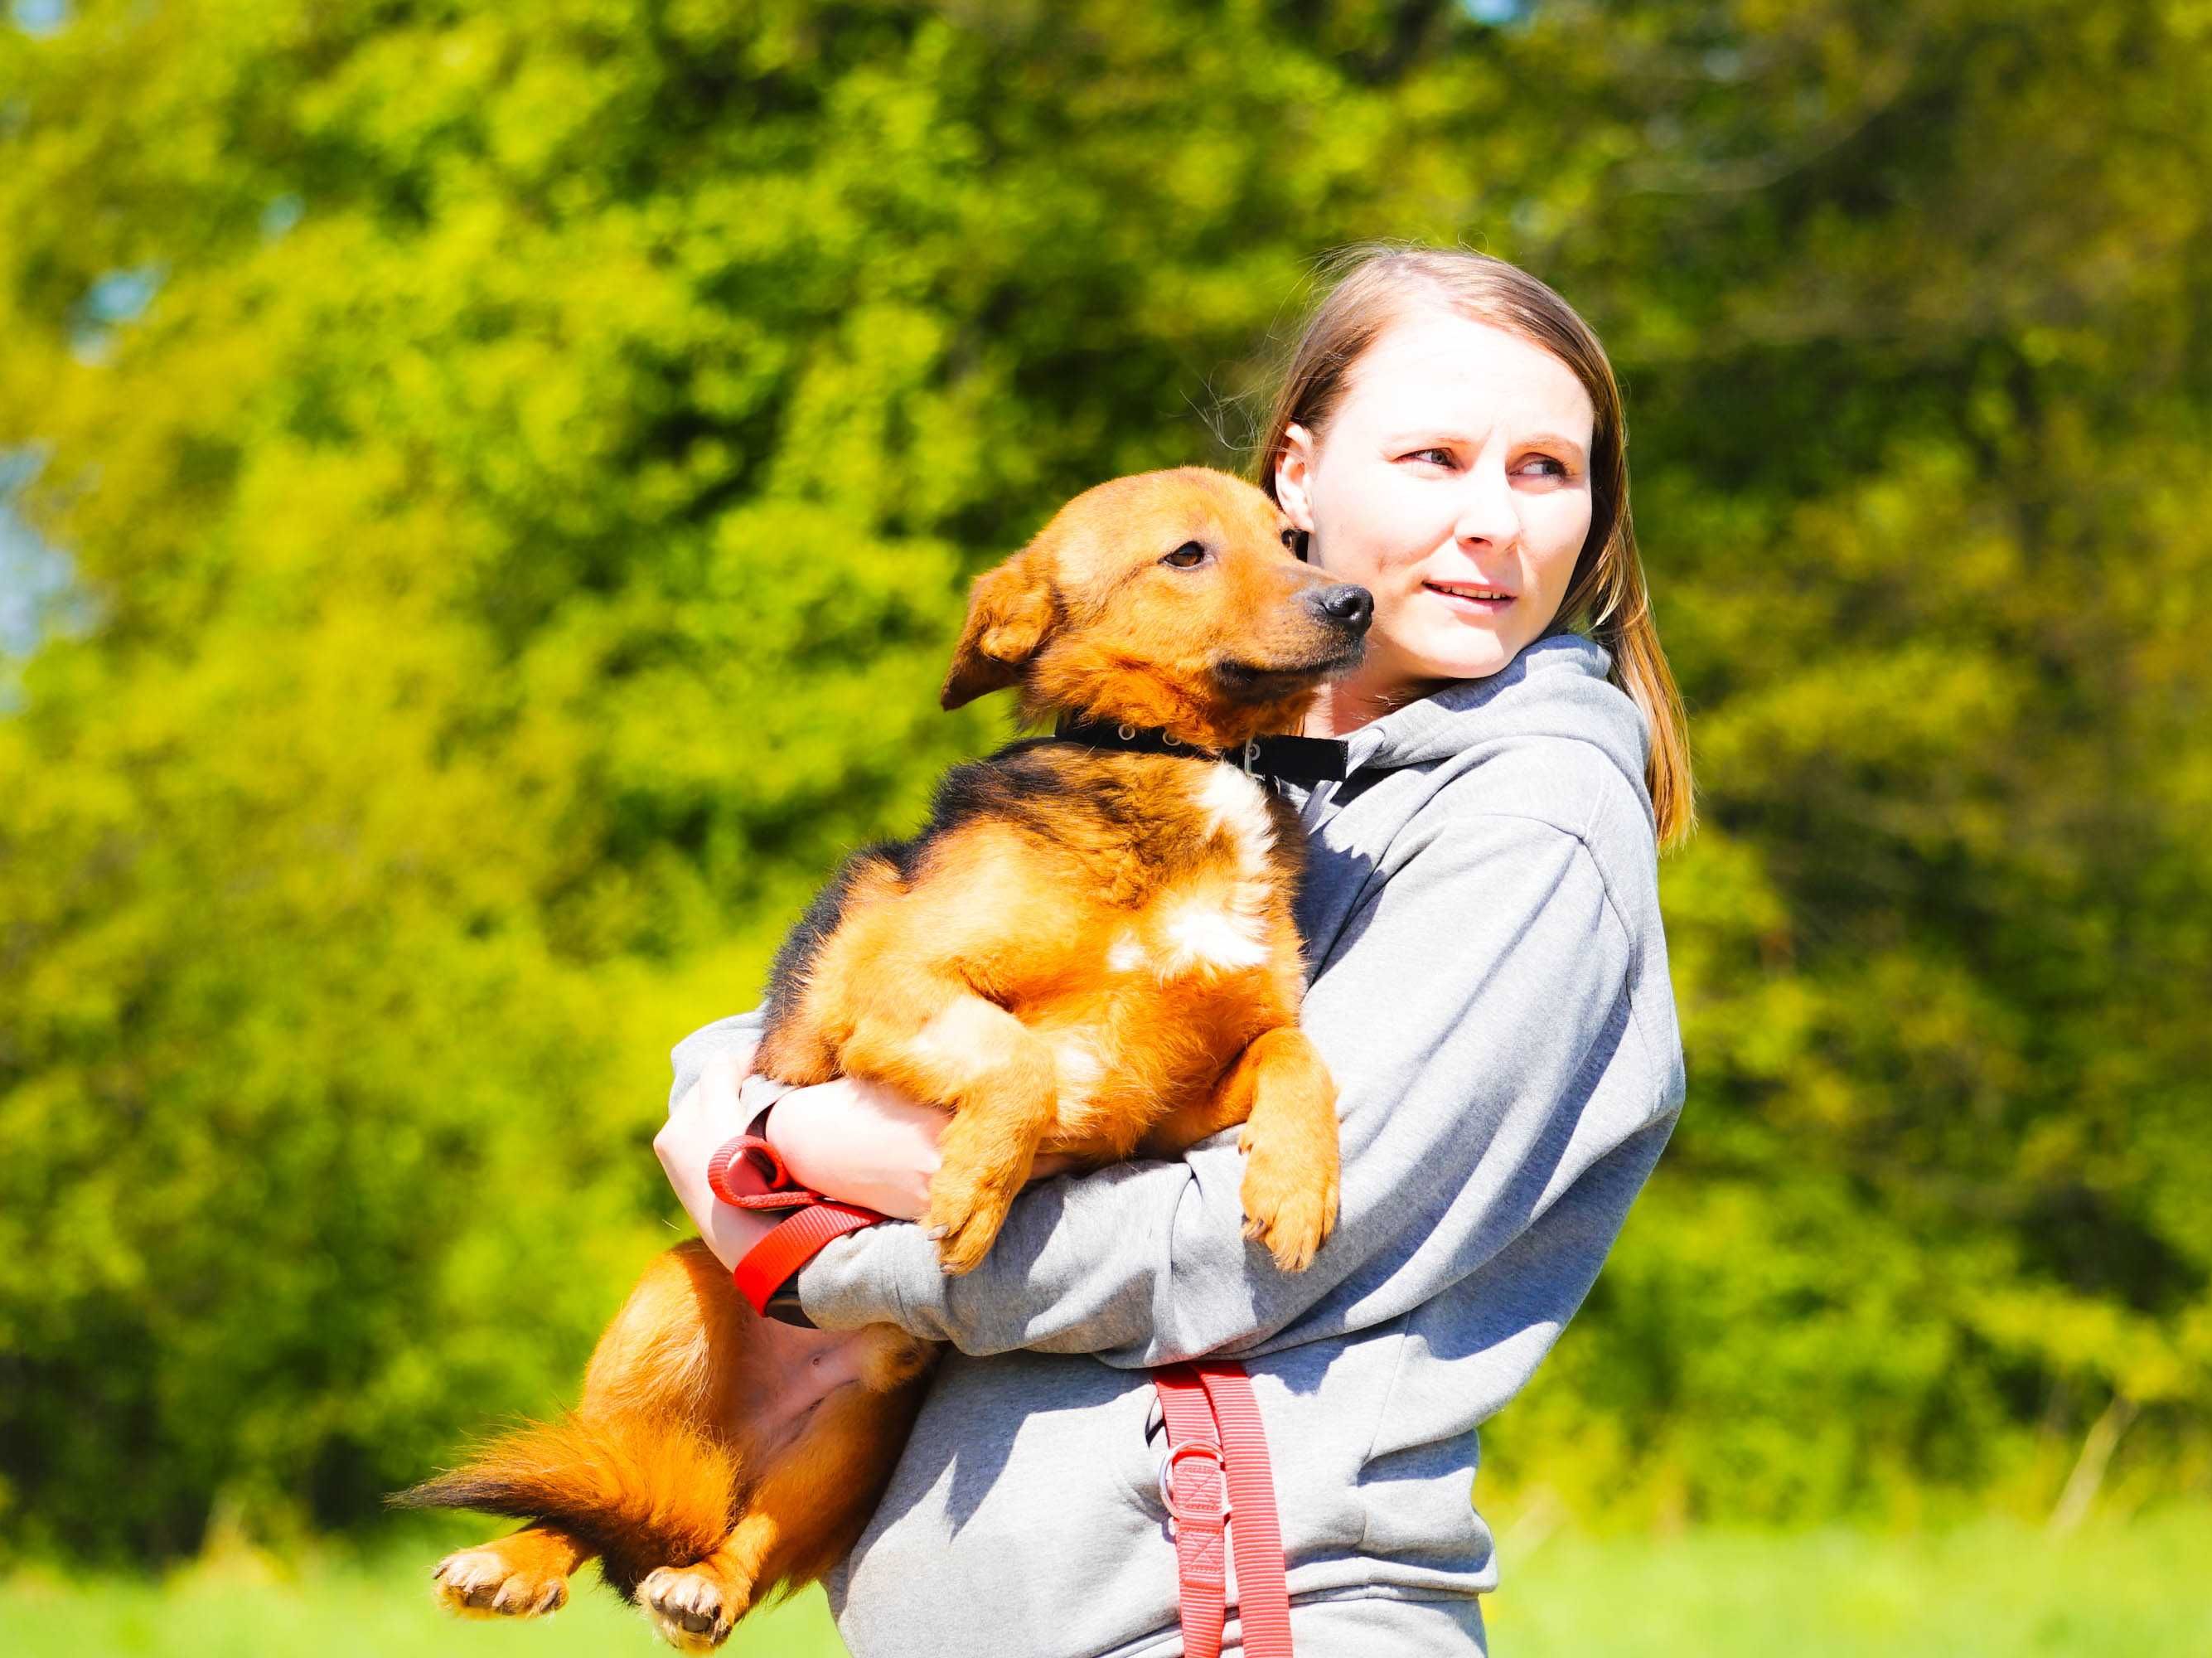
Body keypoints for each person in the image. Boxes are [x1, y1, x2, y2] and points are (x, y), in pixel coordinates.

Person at [652, 245, 1693, 1658]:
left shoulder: (1537, 820)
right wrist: (743, 1110)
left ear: (1594, 513)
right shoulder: (1229, 768)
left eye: (1543, 472)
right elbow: (894, 952)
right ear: (1300, 480)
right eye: (1435, 456)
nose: (1488, 523)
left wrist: (811, 1249)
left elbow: (1235, 1254)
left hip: (1243, 1616)